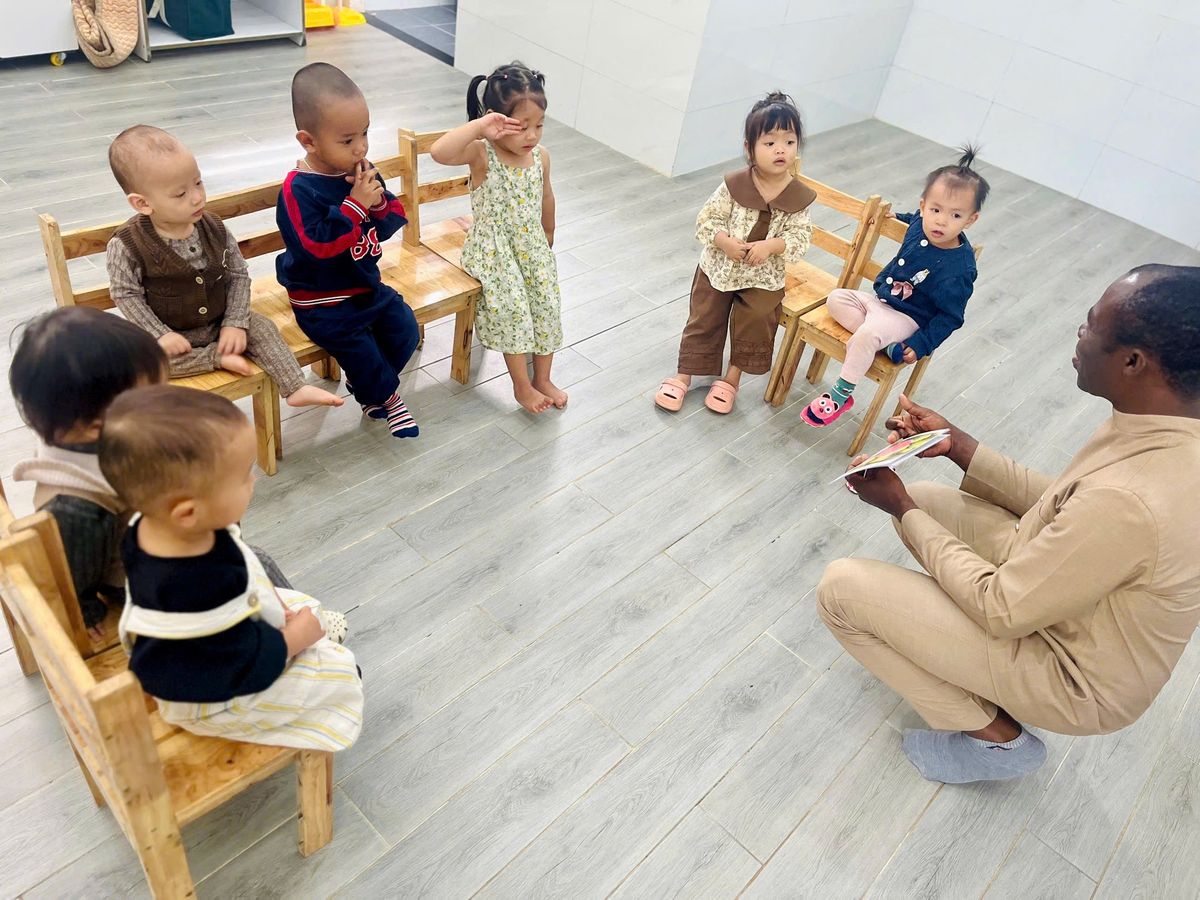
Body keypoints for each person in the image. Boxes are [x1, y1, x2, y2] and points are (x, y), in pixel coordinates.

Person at [818, 264, 1200, 784]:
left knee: (840, 590)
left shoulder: (1133, 497)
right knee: (930, 503)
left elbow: (1002, 608)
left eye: (1092, 323)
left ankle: (996, 740)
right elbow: (1066, 504)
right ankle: (953, 647)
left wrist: (898, 504)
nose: (1080, 331)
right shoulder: (1164, 425)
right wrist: (959, 446)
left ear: (1134, 362)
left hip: (1073, 675)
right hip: (1067, 601)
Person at [99, 385, 363, 751]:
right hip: (210, 696)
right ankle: (319, 665)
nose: (252, 483)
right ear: (188, 512)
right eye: (242, 477)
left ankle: (308, 639)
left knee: (304, 606)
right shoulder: (201, 585)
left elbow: (242, 566)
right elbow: (239, 666)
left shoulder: (154, 526)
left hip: (210, 644)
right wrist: (293, 639)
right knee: (341, 675)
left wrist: (275, 607)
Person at [9, 308, 291, 640]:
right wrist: (85, 609)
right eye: (152, 396)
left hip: (161, 543)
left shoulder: (93, 435)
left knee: (254, 562)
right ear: (95, 426)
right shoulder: (76, 504)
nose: (163, 401)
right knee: (254, 568)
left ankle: (292, 625)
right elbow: (70, 568)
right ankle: (289, 642)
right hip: (148, 584)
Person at [105, 125, 342, 410]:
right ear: (142, 203)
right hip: (171, 333)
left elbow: (238, 275)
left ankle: (294, 385)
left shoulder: (213, 227)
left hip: (219, 320)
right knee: (140, 359)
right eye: (180, 194)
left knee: (262, 327)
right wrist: (160, 334)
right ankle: (215, 357)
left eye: (198, 183)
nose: (197, 197)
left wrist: (235, 322)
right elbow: (126, 294)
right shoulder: (127, 244)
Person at [277, 62, 421, 438]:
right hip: (321, 300)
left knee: (406, 329)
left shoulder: (362, 170)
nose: (361, 147)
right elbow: (315, 249)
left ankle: (368, 387)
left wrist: (376, 203)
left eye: (365, 133)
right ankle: (387, 398)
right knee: (360, 349)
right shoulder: (298, 189)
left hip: (364, 285)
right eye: (347, 140)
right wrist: (355, 207)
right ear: (308, 141)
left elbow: (392, 218)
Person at [803, 147, 988, 427]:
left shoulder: (959, 268)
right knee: (836, 298)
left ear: (970, 220)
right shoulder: (920, 222)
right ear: (923, 206)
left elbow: (950, 317)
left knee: (866, 335)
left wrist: (921, 343)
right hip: (881, 303)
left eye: (955, 216)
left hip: (908, 319)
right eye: (935, 210)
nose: (941, 220)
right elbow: (912, 218)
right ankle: (886, 345)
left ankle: (842, 394)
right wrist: (895, 218)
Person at [655, 92, 814, 415]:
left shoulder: (798, 197)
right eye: (770, 143)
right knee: (704, 318)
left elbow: (800, 237)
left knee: (755, 320)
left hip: (762, 276)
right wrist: (724, 240)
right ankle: (684, 374)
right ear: (749, 148)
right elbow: (707, 219)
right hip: (720, 269)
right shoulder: (733, 184)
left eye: (789, 141)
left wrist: (771, 246)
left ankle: (731, 378)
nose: (781, 149)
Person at [431, 61, 565, 414]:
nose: (532, 136)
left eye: (539, 125)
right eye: (522, 127)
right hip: (493, 251)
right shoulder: (482, 153)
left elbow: (546, 196)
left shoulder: (541, 157)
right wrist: (480, 126)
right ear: (497, 121)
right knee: (513, 308)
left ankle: (543, 378)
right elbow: (439, 152)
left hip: (531, 247)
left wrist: (548, 232)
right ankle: (521, 386)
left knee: (547, 303)